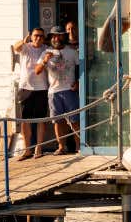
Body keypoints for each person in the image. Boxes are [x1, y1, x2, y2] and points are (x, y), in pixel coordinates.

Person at [37, 26, 80, 155]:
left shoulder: (72, 52)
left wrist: (78, 82)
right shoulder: (46, 52)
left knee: (75, 120)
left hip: (69, 90)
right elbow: (37, 70)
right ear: (51, 38)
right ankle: (61, 147)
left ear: (64, 37)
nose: (56, 38)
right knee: (58, 121)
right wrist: (45, 60)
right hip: (54, 92)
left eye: (59, 35)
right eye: (54, 36)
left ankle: (79, 146)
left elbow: (80, 69)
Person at [11, 27, 50, 160]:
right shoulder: (26, 47)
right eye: (36, 35)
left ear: (44, 38)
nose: (38, 38)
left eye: (41, 36)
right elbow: (16, 48)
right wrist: (23, 41)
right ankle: (27, 150)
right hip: (25, 88)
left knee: (40, 120)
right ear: (31, 36)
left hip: (41, 88)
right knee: (25, 120)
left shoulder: (46, 49)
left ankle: (38, 149)